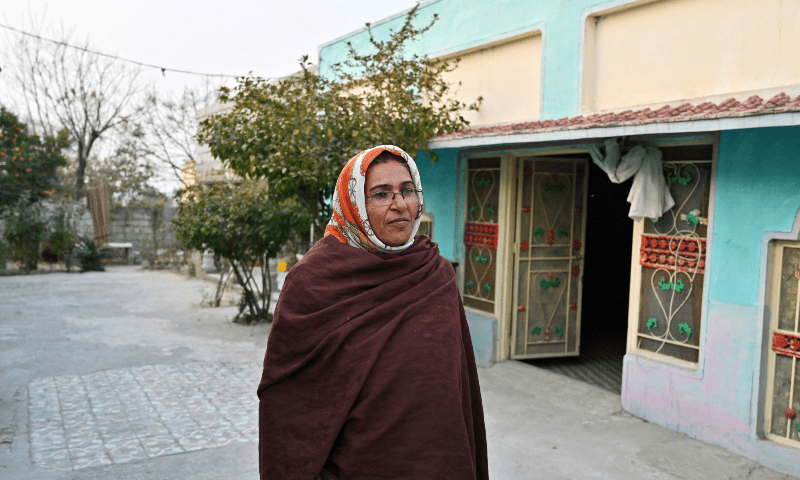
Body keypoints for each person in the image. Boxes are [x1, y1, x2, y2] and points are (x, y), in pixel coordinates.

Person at [257, 145, 489, 480]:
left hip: (436, 459)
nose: (400, 205)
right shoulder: (313, 282)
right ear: (353, 204)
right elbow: (290, 404)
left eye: (408, 191)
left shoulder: (434, 272)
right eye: (381, 194)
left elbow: (457, 383)